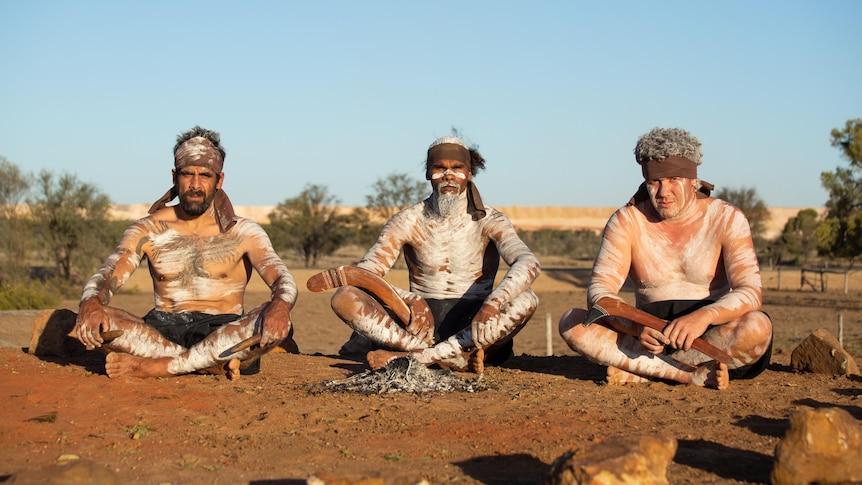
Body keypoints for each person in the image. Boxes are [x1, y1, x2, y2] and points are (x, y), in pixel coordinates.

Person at [75, 126, 298, 379]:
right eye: (187, 174)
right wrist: (90, 302)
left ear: (219, 180)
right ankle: (207, 365)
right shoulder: (148, 229)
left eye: (204, 175)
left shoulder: (244, 231)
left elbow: (282, 279)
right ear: (174, 176)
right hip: (161, 330)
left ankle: (157, 367)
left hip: (223, 330)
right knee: (102, 319)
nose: (195, 184)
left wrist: (280, 306)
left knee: (269, 316)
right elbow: (107, 274)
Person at [559, 127, 772, 390]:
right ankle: (687, 375)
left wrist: (704, 317)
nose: (663, 191)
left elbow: (750, 292)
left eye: (673, 179)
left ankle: (643, 372)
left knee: (758, 326)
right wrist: (637, 327)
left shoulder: (727, 218)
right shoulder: (627, 221)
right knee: (573, 322)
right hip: (647, 338)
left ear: (693, 180)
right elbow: (600, 294)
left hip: (710, 335)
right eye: (655, 182)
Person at [321, 135, 540, 372]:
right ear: (428, 173)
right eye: (439, 168)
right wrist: (410, 299)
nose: (448, 175)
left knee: (527, 299)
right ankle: (449, 358)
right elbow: (363, 275)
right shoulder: (407, 220)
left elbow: (528, 262)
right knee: (345, 297)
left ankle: (419, 358)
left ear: (469, 174)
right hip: (418, 326)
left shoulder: (490, 220)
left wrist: (493, 303)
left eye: (457, 168)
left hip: (475, 321)